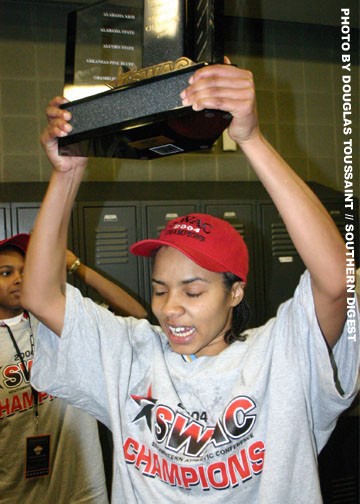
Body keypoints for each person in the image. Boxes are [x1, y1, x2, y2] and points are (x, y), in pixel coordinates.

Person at [22, 62, 359, 503]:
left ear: (235, 292)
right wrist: (67, 175)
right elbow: (40, 296)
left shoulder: (280, 357)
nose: (169, 307)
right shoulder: (131, 354)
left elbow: (336, 282)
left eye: (193, 290)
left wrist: (250, 139)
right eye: (160, 289)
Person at [0, 233, 146, 503]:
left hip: (82, 489)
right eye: (6, 273)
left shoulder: (61, 322)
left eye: (25, 270)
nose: (19, 279)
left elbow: (138, 317)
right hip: (15, 493)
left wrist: (77, 267)